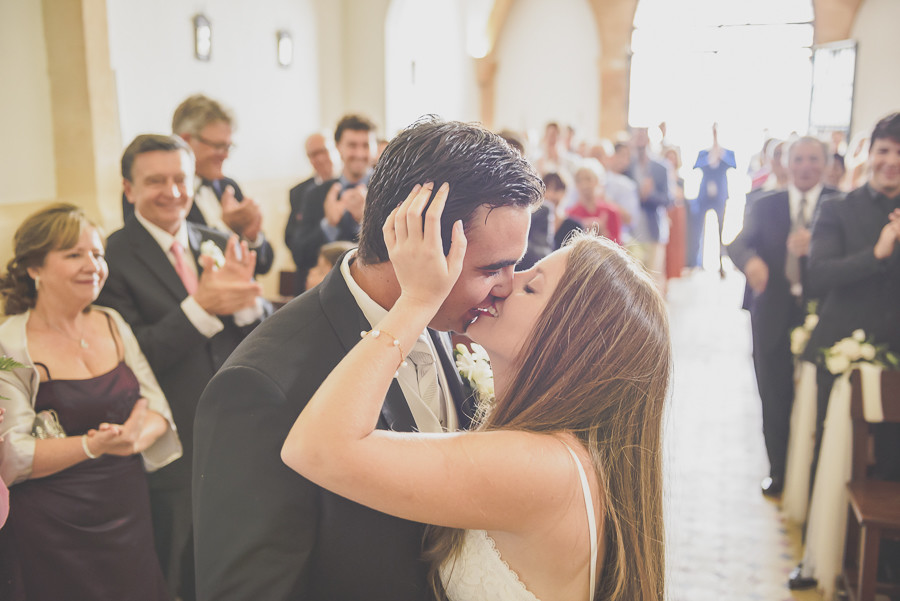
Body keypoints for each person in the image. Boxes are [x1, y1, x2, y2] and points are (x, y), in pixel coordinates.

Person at [192, 117, 544, 601]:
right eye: (492, 268)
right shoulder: (260, 386)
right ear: (418, 243)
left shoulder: (441, 320)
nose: (505, 286)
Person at [282, 185, 670, 601]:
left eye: (531, 286)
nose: (505, 283)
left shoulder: (541, 468)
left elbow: (317, 448)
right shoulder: (558, 453)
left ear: (567, 343)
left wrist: (416, 301)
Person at [98, 134, 270, 601]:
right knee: (180, 560)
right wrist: (201, 307)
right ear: (128, 188)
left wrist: (247, 307)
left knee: (243, 555)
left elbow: (264, 335)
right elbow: (129, 357)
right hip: (175, 432)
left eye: (180, 179)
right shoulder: (109, 257)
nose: (172, 192)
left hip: (238, 427)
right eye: (156, 181)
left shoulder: (216, 241)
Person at [0, 203, 181, 600]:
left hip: (127, 506)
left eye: (98, 254)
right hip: (51, 522)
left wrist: (134, 438)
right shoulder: (9, 343)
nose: (93, 265)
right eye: (74, 255)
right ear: (34, 268)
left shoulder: (112, 322)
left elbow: (158, 409)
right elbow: (12, 455)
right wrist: (91, 445)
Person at [789, 113, 900, 589]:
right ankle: (818, 558)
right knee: (830, 454)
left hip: (894, 356)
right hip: (842, 347)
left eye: (899, 152)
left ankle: (885, 567)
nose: (891, 161)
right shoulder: (839, 207)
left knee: (892, 463)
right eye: (883, 150)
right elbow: (821, 274)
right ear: (868, 154)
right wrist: (878, 253)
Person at [727, 136, 836, 498]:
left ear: (825, 163)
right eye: (799, 159)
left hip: (822, 312)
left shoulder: (840, 204)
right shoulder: (766, 202)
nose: (806, 166)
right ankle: (779, 470)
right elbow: (738, 243)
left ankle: (815, 473)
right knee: (773, 391)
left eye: (813, 159)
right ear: (786, 164)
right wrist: (750, 262)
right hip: (772, 309)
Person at [120, 95, 276, 277]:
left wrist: (251, 237)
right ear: (186, 140)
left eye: (228, 146)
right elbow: (156, 262)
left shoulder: (228, 186)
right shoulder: (148, 194)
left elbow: (263, 265)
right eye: (218, 146)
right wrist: (226, 227)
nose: (225, 155)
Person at [289, 114, 376, 293]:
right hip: (325, 294)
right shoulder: (315, 194)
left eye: (366, 145)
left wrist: (365, 221)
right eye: (352, 145)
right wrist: (329, 225)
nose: (359, 154)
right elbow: (299, 254)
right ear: (338, 147)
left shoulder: (389, 190)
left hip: (373, 294)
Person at [285, 132, 336, 277]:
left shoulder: (350, 186)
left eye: (324, 151)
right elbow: (291, 238)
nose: (319, 158)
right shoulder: (299, 192)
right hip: (311, 268)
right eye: (313, 154)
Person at [568, 161, 622, 244]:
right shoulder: (570, 215)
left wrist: (602, 231)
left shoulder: (611, 211)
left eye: (588, 179)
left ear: (597, 180)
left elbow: (618, 246)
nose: (584, 185)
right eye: (579, 180)